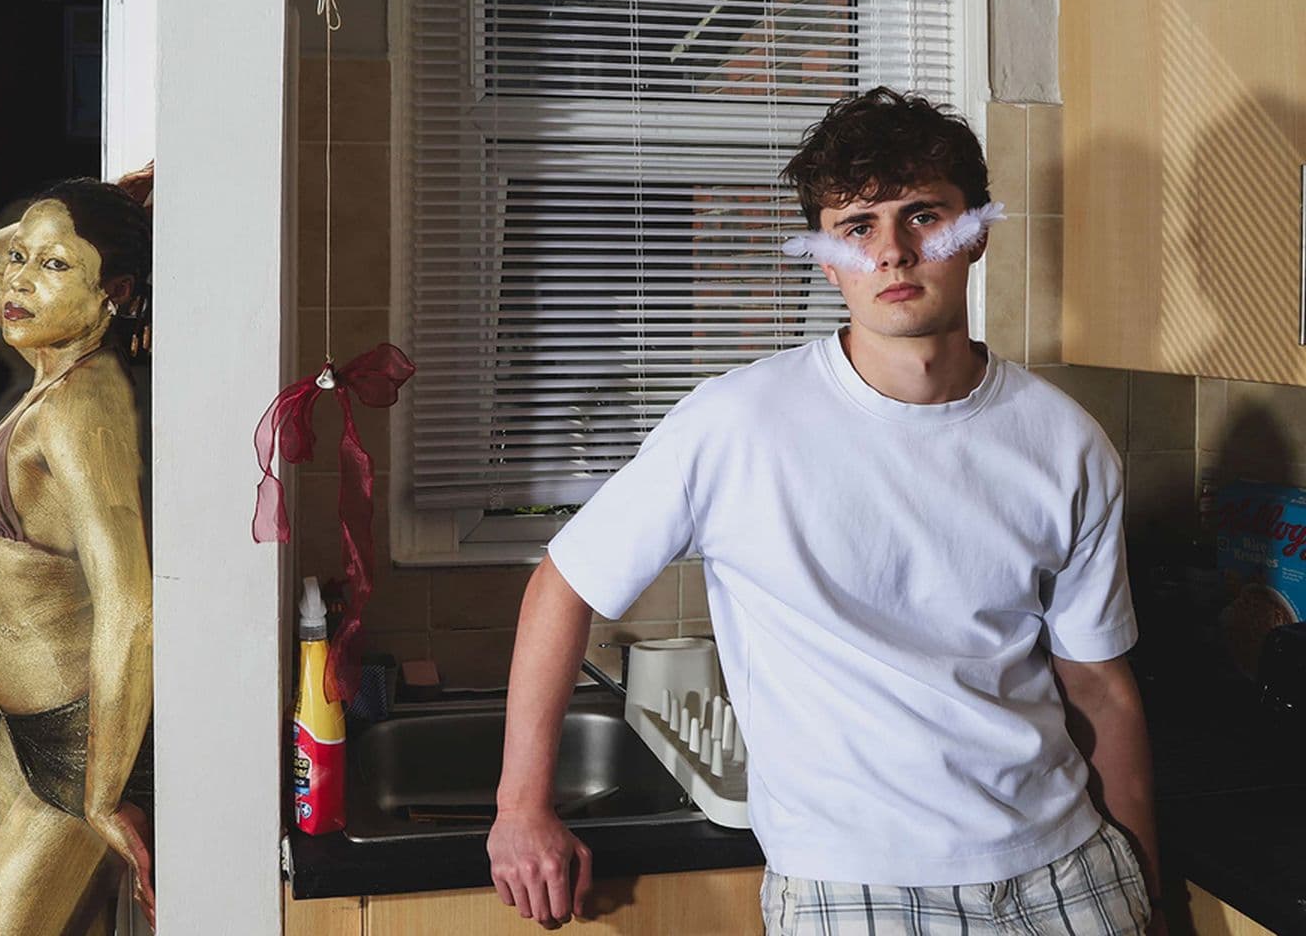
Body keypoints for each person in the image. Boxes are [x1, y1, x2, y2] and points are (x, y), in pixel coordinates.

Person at [486, 88, 1162, 934]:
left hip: (1071, 873)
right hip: (856, 887)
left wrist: (1145, 888)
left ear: (977, 230)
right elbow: (564, 580)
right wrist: (522, 807)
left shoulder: (1066, 441)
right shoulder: (737, 424)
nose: (893, 253)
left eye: (924, 217)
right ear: (824, 255)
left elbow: (1099, 686)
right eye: (858, 227)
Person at [0, 173, 158, 934]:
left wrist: (102, 793)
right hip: (25, 728)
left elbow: (132, 607)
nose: (16, 278)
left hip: (76, 747)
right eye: (23, 259)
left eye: (54, 266)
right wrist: (91, 203)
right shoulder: (52, 372)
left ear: (116, 291)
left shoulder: (82, 408)